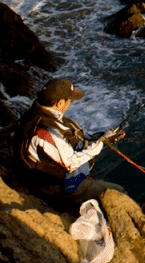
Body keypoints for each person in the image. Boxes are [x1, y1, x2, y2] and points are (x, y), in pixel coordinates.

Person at [14, 77, 124, 208]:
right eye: (69, 100)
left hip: (40, 176)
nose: (70, 103)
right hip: (51, 186)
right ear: (60, 103)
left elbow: (68, 139)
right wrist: (102, 143)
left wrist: (102, 137)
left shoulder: (36, 114)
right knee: (119, 192)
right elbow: (71, 163)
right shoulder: (46, 132)